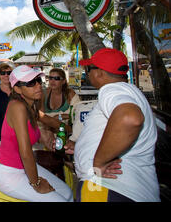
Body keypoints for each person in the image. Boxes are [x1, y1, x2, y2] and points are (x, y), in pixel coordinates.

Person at [66, 48, 160, 202]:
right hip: (119, 189)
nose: (87, 73)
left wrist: (99, 162)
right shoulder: (129, 91)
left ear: (99, 73)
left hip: (106, 188)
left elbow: (129, 118)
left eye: (88, 69)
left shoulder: (112, 90)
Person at [0, 65, 73, 202]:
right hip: (9, 173)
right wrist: (36, 184)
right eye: (30, 83)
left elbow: (53, 122)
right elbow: (25, 151)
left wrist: (70, 130)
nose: (38, 86)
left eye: (38, 81)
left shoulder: (31, 107)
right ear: (17, 88)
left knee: (68, 194)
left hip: (25, 167)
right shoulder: (17, 107)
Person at [40, 68, 80, 150]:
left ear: (64, 81)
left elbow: (77, 113)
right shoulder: (44, 93)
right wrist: (52, 122)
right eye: (50, 78)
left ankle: (57, 154)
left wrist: (60, 117)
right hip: (49, 129)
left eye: (57, 78)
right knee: (43, 129)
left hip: (66, 129)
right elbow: (41, 116)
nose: (52, 81)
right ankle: (59, 155)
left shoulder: (69, 94)